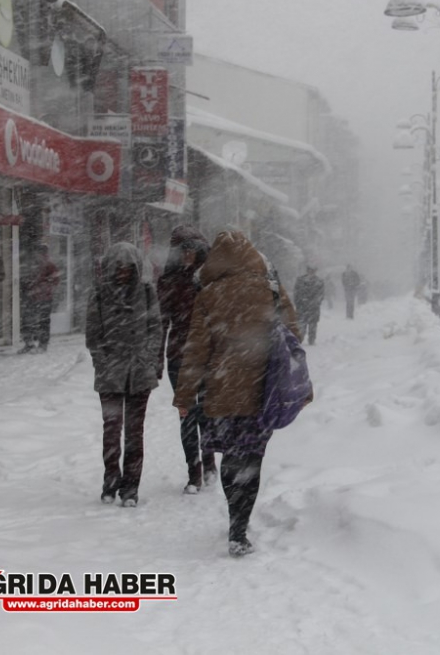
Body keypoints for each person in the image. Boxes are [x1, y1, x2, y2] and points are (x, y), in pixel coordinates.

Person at [172, 231, 303, 557]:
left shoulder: (208, 295)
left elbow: (196, 351)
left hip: (221, 392)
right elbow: (294, 336)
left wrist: (185, 395)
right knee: (252, 458)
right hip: (262, 392)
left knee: (231, 458)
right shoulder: (271, 289)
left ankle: (234, 518)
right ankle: (240, 528)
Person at [86, 242, 163, 507]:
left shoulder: (147, 292)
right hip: (110, 375)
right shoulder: (99, 293)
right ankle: (110, 482)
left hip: (139, 374)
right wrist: (103, 361)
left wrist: (147, 357)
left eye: (127, 268)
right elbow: (93, 333)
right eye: (117, 268)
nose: (122, 273)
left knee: (134, 433)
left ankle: (131, 487)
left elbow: (155, 328)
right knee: (111, 431)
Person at [157, 225, 215, 494]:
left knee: (205, 413)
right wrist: (157, 359)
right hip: (179, 357)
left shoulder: (212, 279)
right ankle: (194, 472)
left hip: (208, 356)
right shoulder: (169, 280)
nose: (187, 255)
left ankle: (209, 462)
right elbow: (161, 322)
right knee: (186, 415)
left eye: (192, 250)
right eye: (182, 250)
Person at [20, 244, 60, 353]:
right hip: (33, 297)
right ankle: (30, 343)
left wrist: (42, 288)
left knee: (42, 321)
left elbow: (55, 280)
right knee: (28, 320)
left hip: (43, 298)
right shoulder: (33, 265)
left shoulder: (48, 265)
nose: (36, 255)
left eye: (38, 252)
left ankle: (42, 344)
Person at [293, 265, 325, 345]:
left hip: (313, 307)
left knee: (313, 324)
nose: (311, 272)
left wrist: (315, 302)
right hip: (302, 306)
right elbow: (296, 292)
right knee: (301, 324)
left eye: (313, 270)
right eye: (310, 270)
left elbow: (321, 295)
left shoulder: (319, 281)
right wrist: (299, 302)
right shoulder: (300, 280)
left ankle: (311, 339)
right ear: (307, 270)